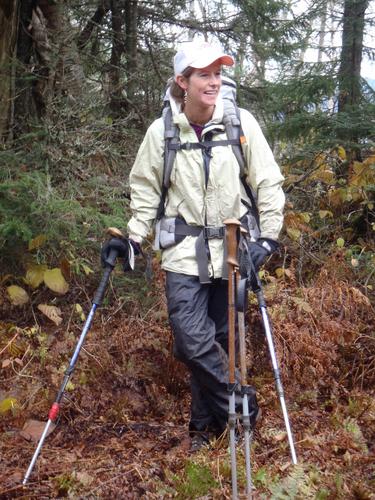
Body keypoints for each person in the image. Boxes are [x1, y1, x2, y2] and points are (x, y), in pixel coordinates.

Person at [102, 41, 285, 451]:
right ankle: (243, 406)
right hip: (183, 254)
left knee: (218, 339)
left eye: (218, 74)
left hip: (233, 252)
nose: (214, 82)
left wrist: (268, 238)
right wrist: (132, 238)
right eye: (204, 74)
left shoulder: (241, 124)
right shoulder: (161, 132)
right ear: (182, 82)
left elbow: (267, 181)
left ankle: (204, 430)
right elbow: (145, 191)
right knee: (190, 340)